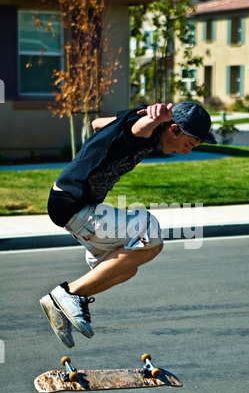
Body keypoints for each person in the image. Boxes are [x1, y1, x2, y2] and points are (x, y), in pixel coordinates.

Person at [40, 101, 216, 348]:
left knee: (127, 268)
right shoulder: (143, 131)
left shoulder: (135, 121)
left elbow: (97, 124)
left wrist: (145, 120)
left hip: (68, 205)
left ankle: (66, 302)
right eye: (188, 144)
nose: (187, 152)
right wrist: (154, 119)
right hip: (74, 203)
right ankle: (66, 295)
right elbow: (140, 129)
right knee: (151, 236)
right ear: (173, 130)